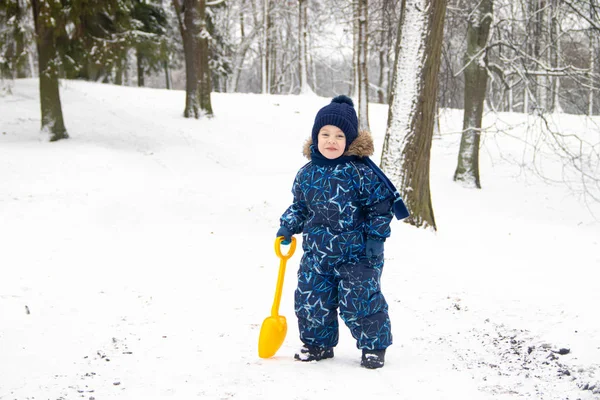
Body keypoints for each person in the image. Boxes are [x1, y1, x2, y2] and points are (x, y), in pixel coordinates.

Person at [276, 95, 408, 369]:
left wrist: (375, 238)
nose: (331, 140)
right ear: (316, 137)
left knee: (360, 302)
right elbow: (300, 206)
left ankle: (373, 346)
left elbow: (379, 207)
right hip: (317, 254)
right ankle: (318, 343)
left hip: (356, 254)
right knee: (312, 299)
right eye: (325, 134)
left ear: (349, 141)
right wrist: (288, 224)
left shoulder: (361, 173)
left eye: (338, 135)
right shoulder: (306, 174)